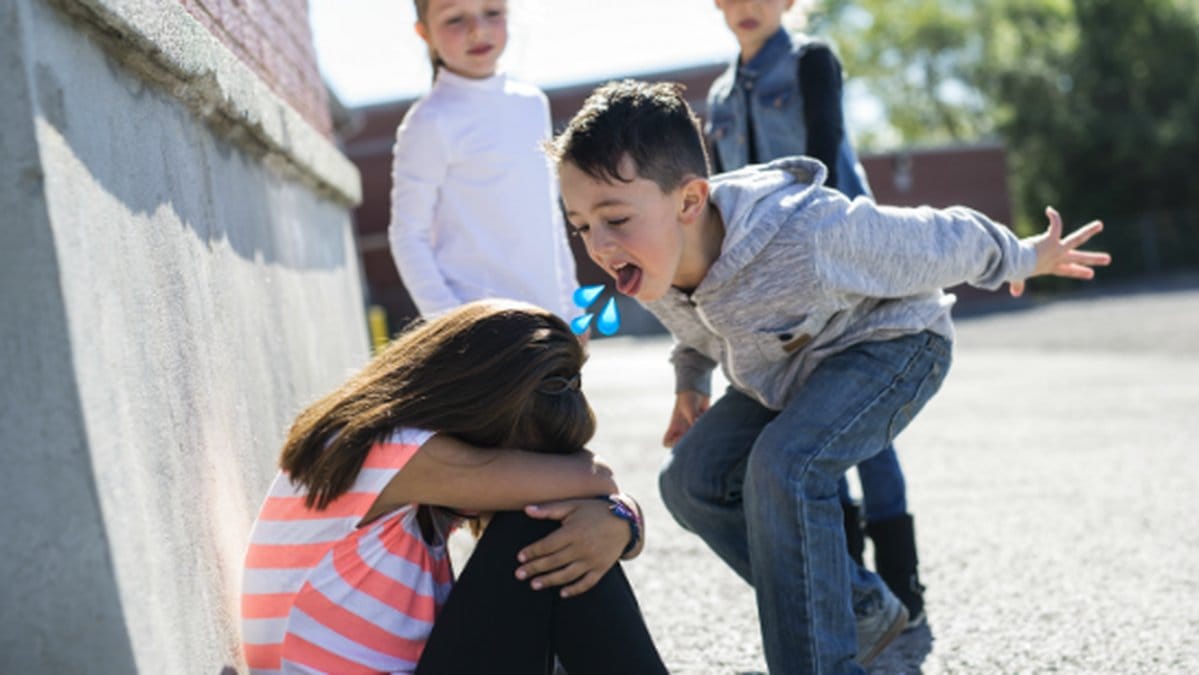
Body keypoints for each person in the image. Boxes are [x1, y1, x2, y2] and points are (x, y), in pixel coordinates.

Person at [548, 80, 1109, 674]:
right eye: (581, 225)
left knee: (784, 467)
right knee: (690, 481)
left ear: (690, 201)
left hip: (892, 347)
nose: (600, 247)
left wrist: (1024, 257)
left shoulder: (806, 234)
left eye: (613, 218)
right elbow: (694, 328)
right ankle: (860, 607)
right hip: (789, 369)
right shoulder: (651, 259)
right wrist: (692, 383)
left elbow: (942, 237)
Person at [240, 300, 668, 674]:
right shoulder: (386, 450)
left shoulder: (398, 458)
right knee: (539, 525)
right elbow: (596, 480)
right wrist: (616, 512)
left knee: (561, 527)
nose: (521, 471)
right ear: (481, 408)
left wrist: (620, 519)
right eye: (523, 457)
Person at [705, 0, 924, 626]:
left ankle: (902, 583)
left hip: (844, 268)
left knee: (865, 429)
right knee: (808, 426)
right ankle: (850, 581)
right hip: (770, 289)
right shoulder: (718, 96)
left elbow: (827, 160)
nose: (747, 7)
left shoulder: (812, 62)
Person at [389, 0, 578, 322]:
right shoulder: (429, 121)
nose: (478, 30)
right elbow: (408, 235)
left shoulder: (532, 105)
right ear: (425, 33)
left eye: (492, 12)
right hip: (483, 334)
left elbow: (549, 218)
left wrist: (573, 309)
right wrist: (450, 324)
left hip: (551, 322)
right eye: (454, 19)